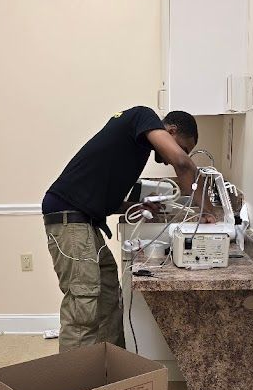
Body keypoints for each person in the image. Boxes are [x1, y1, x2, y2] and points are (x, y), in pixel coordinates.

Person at [42, 106, 217, 351]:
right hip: (70, 218)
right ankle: (76, 385)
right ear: (171, 130)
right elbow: (183, 164)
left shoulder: (137, 146)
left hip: (86, 219)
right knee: (83, 303)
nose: (173, 157)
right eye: (182, 146)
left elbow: (102, 198)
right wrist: (209, 212)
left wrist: (135, 206)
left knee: (108, 298)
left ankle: (111, 373)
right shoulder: (142, 116)